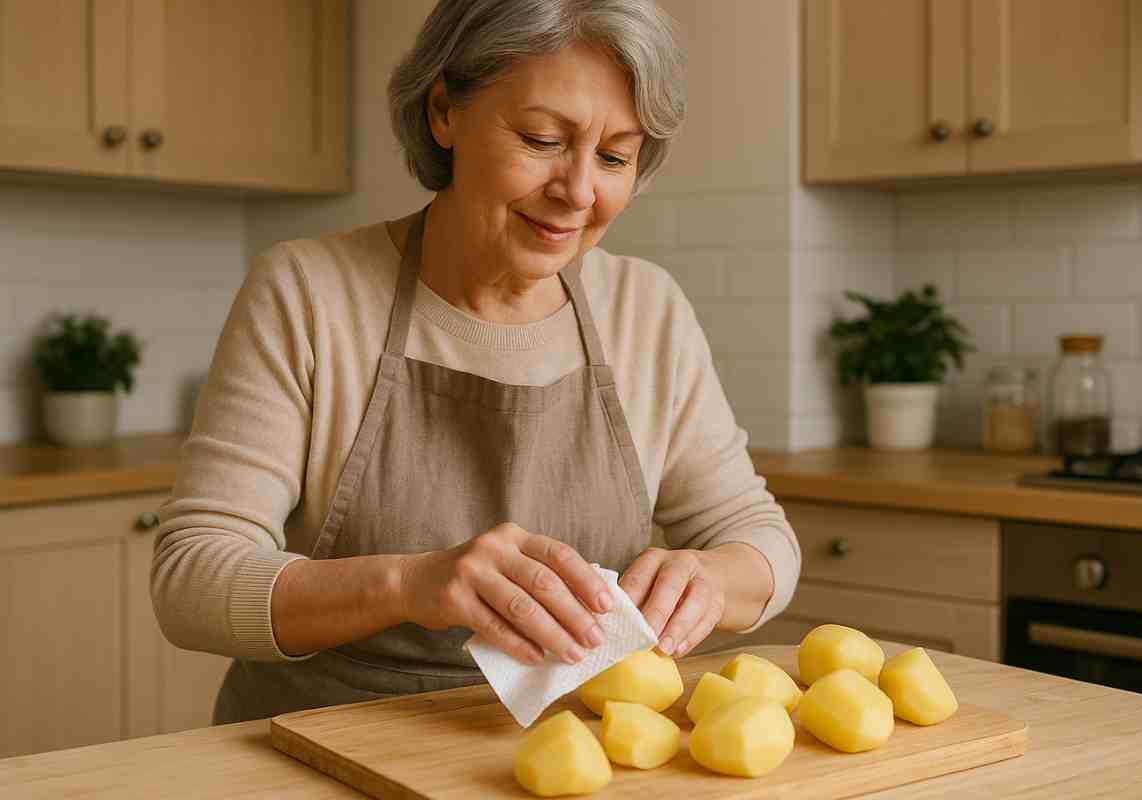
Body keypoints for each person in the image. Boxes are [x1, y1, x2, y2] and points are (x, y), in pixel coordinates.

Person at [152, 0, 801, 725]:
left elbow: (759, 537)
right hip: (317, 750)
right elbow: (192, 580)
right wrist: (407, 583)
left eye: (615, 156)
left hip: (560, 762)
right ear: (443, 112)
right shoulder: (307, 292)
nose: (579, 192)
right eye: (542, 139)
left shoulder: (646, 309)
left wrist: (710, 576)